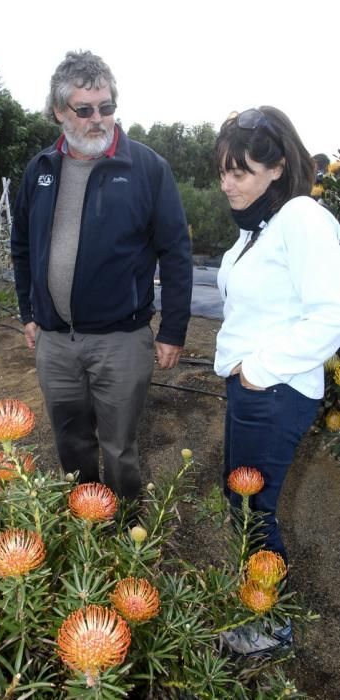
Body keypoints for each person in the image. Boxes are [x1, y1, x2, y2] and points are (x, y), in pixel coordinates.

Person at [11, 50, 192, 502]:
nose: (99, 119)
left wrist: (173, 329)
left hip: (121, 341)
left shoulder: (147, 169)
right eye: (84, 109)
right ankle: (85, 525)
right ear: (58, 111)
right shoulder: (40, 170)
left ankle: (125, 528)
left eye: (107, 107)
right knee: (71, 443)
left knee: (119, 448)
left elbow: (176, 252)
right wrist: (27, 312)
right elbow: (22, 246)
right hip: (55, 342)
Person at [214, 106, 340, 654]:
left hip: (275, 390)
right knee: (243, 504)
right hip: (255, 390)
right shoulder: (261, 229)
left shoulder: (300, 219)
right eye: (222, 171)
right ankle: (260, 610)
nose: (226, 183)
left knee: (253, 510)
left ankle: (269, 625)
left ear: (277, 166)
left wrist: (258, 371)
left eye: (239, 171)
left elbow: (331, 315)